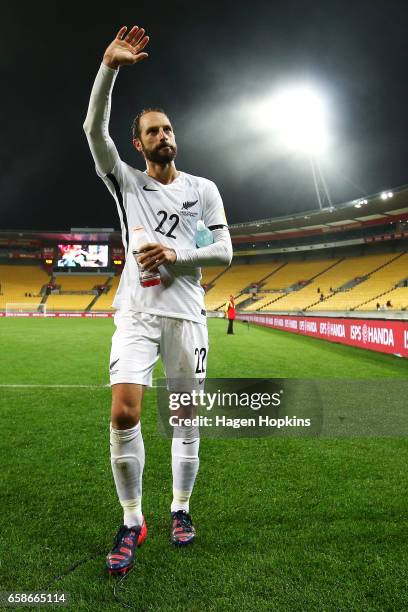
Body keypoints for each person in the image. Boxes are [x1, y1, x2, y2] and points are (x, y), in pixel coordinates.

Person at [83, 24, 232, 576]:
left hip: (188, 317)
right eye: (153, 130)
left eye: (168, 128)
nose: (164, 135)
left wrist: (174, 254)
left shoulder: (203, 188)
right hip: (137, 316)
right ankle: (131, 519)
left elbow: (224, 252)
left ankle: (181, 509)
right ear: (139, 143)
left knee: (184, 417)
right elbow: (93, 128)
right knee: (124, 412)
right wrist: (109, 68)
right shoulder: (125, 183)